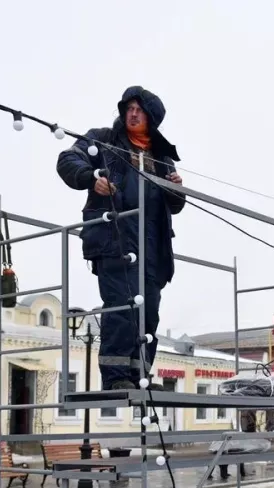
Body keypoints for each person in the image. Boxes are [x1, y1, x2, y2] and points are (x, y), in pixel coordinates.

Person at [56, 86, 185, 390]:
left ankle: (140, 376)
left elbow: (175, 206)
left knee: (149, 314)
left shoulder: (162, 158)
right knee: (122, 306)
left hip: (154, 247)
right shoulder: (102, 139)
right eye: (129, 107)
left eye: (139, 109)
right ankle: (115, 378)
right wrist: (92, 178)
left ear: (152, 117)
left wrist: (177, 189)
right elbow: (67, 161)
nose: (133, 112)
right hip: (114, 238)